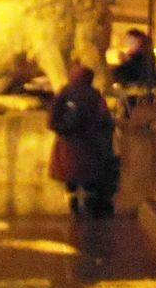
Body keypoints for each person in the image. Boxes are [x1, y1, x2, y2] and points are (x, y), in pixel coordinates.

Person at [48, 63, 117, 216]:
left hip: (67, 144)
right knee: (89, 179)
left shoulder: (65, 92)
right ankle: (89, 209)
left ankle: (74, 208)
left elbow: (52, 117)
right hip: (90, 145)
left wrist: (62, 128)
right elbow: (103, 117)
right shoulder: (94, 94)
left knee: (70, 179)